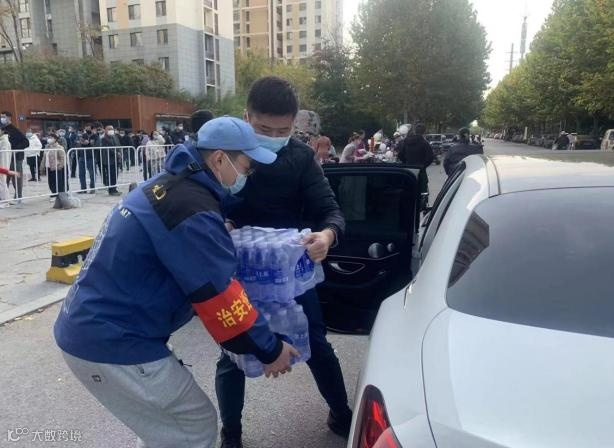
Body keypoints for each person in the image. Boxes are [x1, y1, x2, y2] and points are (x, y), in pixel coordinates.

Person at [54, 116, 297, 448]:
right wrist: (270, 350)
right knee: (192, 424)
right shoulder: (189, 209)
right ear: (219, 159)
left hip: (92, 326)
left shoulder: (172, 184)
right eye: (247, 166)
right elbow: (220, 297)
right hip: (114, 340)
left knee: (165, 430)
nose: (249, 174)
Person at [218, 76, 351, 448]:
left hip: (291, 272)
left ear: (294, 124)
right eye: (264, 130)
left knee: (316, 344)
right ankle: (231, 433)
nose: (274, 137)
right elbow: (207, 205)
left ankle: (341, 414)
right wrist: (222, 223)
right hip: (240, 271)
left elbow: (330, 211)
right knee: (232, 354)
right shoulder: (226, 155)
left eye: (283, 130)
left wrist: (326, 236)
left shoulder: (300, 157)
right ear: (247, 117)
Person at [1, 111, 29, 204]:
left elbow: (26, 142)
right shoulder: (2, 128)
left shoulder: (15, 130)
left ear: (9, 118)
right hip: (5, 157)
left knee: (16, 178)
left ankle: (18, 196)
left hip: (16, 158)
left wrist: (15, 150)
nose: (1, 118)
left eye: (3, 117)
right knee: (4, 177)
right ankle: (5, 197)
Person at [100, 125, 121, 196]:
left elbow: (118, 146)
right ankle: (111, 190)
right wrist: (116, 153)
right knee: (110, 175)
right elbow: (108, 148)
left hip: (116, 159)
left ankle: (114, 189)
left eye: (112, 129)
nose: (111, 130)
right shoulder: (104, 139)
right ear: (105, 130)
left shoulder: (115, 137)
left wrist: (119, 153)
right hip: (108, 160)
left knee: (115, 175)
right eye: (109, 129)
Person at [44, 132, 67, 198]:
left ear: (55, 139)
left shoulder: (59, 147)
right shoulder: (47, 147)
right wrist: (42, 166)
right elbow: (44, 157)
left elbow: (62, 157)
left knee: (58, 181)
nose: (49, 139)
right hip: (49, 166)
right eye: (48, 137)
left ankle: (61, 194)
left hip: (56, 166)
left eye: (51, 138)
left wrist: (60, 166)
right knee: (51, 181)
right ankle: (54, 192)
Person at [77, 126, 97, 194]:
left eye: (89, 128)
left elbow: (96, 145)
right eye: (86, 128)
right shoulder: (83, 135)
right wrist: (81, 142)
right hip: (82, 156)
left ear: (92, 129)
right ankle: (83, 189)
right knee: (81, 174)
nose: (87, 129)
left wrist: (89, 143)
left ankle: (92, 188)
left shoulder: (95, 136)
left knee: (92, 174)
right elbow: (79, 143)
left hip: (90, 157)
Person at [0, 129, 12, 206]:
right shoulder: (2, 141)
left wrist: (3, 168)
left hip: (2, 165)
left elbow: (4, 157)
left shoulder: (4, 142)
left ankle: (5, 201)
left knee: (2, 182)